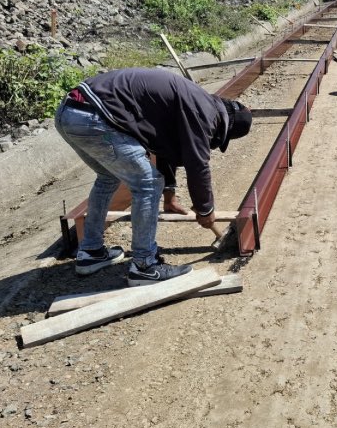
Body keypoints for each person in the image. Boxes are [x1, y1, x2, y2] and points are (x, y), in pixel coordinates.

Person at [54, 68, 252, 286]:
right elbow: (197, 164)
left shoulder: (195, 103)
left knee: (108, 176)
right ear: (225, 125)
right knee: (147, 184)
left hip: (70, 112)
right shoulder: (203, 112)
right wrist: (205, 209)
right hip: (95, 117)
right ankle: (145, 266)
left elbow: (162, 147)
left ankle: (91, 252)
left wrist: (169, 195)